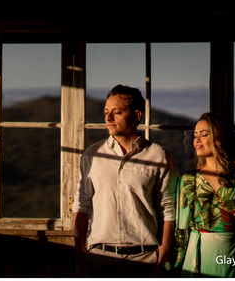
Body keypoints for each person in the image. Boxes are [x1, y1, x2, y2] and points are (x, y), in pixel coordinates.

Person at [73, 85, 177, 277]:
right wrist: (80, 251)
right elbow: (81, 204)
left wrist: (164, 252)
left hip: (144, 259)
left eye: (117, 112)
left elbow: (167, 207)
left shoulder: (159, 157)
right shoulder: (92, 155)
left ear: (136, 116)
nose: (108, 118)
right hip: (99, 259)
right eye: (106, 112)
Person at [174, 112, 235, 277]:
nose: (197, 140)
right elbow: (181, 231)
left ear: (220, 137)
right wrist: (176, 267)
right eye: (195, 135)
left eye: (204, 135)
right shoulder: (189, 180)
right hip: (198, 257)